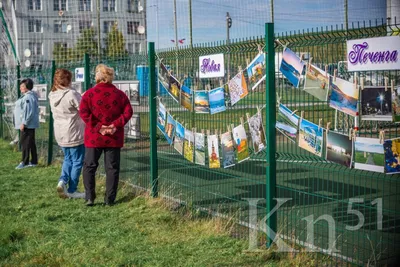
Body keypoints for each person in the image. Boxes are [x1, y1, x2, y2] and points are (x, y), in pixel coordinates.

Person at [79, 64, 133, 206]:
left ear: (98, 76)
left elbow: (84, 112)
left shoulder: (89, 94)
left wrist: (99, 127)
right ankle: (110, 199)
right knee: (112, 168)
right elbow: (128, 112)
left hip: (94, 137)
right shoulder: (120, 95)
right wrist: (115, 125)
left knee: (89, 166)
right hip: (113, 137)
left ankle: (90, 197)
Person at [48, 69, 85, 199]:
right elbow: (83, 108)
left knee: (68, 159)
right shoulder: (71, 94)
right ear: (68, 80)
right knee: (77, 161)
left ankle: (62, 181)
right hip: (73, 132)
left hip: (60, 132)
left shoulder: (52, 95)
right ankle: (72, 190)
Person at [14, 78, 39, 169]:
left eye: (22, 86)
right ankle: (34, 161)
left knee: (25, 143)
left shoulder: (28, 97)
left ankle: (24, 162)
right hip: (28, 124)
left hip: (27, 125)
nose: (20, 88)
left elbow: (29, 112)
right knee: (30, 142)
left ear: (27, 87)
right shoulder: (27, 96)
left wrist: (24, 123)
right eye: (20, 86)